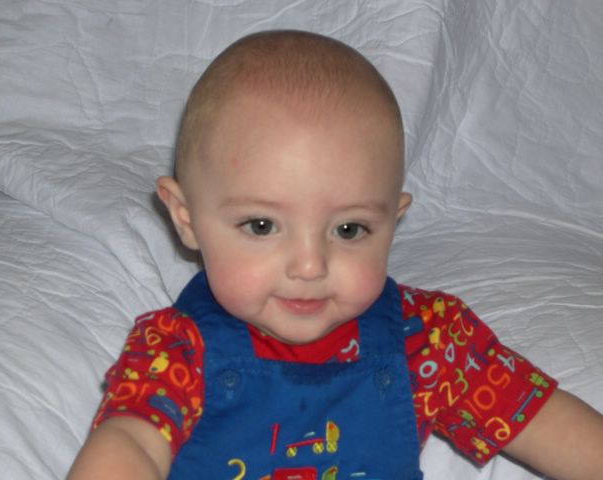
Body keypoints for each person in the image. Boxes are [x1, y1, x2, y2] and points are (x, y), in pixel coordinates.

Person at [68, 30, 603, 480]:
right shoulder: (175, 352)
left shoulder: (430, 340)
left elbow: (539, 418)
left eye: (349, 229)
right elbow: (130, 443)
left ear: (392, 220)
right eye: (261, 225)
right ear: (186, 218)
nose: (310, 266)